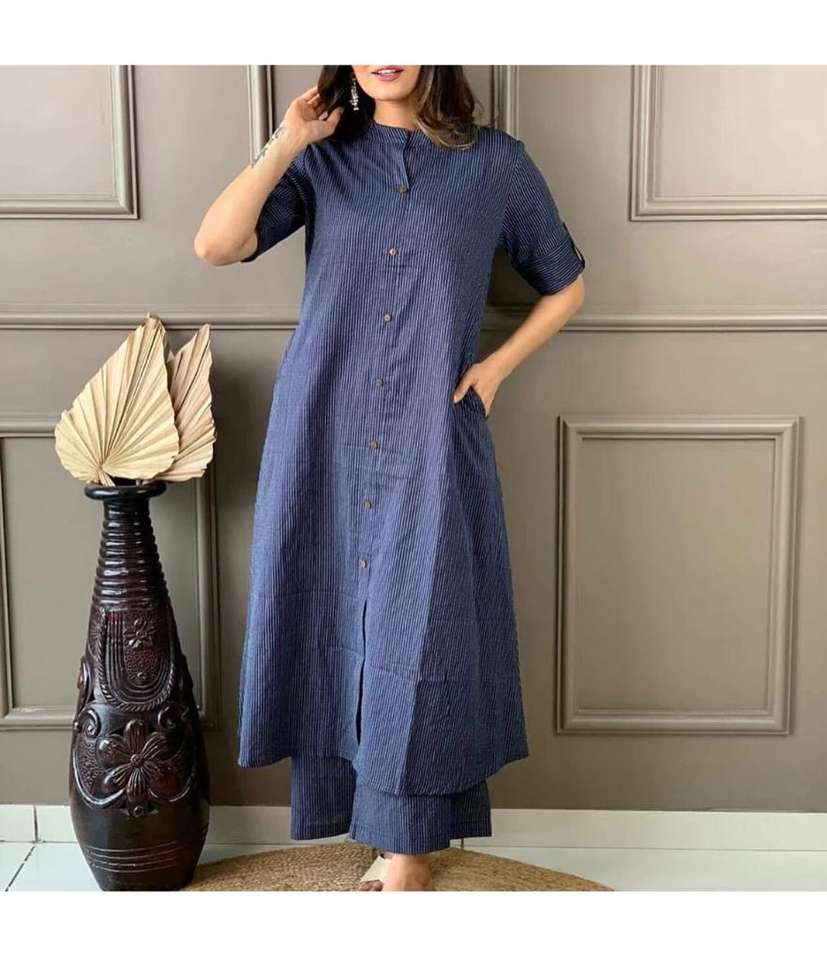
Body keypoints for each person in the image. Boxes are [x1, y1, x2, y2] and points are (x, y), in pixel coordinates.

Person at [194, 65, 586, 891]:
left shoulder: (496, 165)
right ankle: (350, 816)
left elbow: (567, 284)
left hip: (432, 431)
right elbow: (216, 245)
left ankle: (409, 845)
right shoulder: (321, 160)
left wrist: (495, 368)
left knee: (423, 625)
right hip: (321, 427)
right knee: (322, 610)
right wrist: (287, 140)